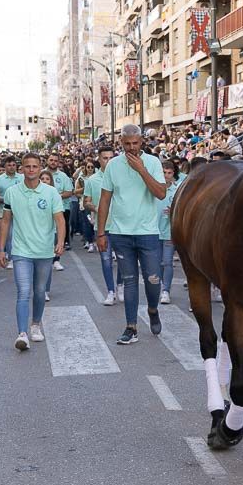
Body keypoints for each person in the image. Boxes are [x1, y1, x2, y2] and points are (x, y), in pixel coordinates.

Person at [96, 124, 168, 346]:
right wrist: (101, 233)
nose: (131, 148)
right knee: (129, 281)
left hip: (147, 233)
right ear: (121, 143)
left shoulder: (153, 162)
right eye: (127, 144)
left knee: (153, 280)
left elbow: (160, 193)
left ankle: (153, 309)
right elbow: (105, 199)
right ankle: (131, 327)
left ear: (142, 142)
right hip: (120, 233)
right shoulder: (113, 166)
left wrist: (142, 170)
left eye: (135, 143)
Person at [0, 153, 65, 350]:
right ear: (22, 169)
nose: (31, 170)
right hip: (21, 250)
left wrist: (60, 241)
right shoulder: (12, 192)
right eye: (27, 166)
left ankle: (35, 325)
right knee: (24, 291)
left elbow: (60, 219)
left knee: (40, 291)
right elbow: (6, 221)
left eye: (35, 166)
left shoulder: (51, 192)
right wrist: (1, 249)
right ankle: (22, 333)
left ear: (40, 167)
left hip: (44, 251)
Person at [83, 147, 118, 303]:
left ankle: (121, 285)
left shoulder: (121, 177)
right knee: (105, 260)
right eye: (105, 158)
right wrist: (97, 208)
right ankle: (110, 291)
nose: (109, 161)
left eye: (111, 158)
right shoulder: (92, 180)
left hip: (121, 226)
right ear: (99, 159)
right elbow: (86, 202)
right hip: (102, 226)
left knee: (124, 260)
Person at [157, 157, 180, 304]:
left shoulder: (177, 190)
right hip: (152, 230)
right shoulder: (153, 188)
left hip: (169, 231)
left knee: (167, 262)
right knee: (157, 263)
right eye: (164, 172)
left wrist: (174, 210)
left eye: (169, 173)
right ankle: (160, 286)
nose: (166, 175)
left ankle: (166, 290)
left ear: (173, 174)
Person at [47, 152, 74, 258]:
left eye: (56, 161)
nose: (53, 162)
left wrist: (56, 196)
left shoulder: (63, 176)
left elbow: (69, 192)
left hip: (62, 207)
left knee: (60, 228)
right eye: (51, 160)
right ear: (47, 161)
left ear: (58, 163)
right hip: (44, 208)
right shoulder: (41, 174)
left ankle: (59, 251)